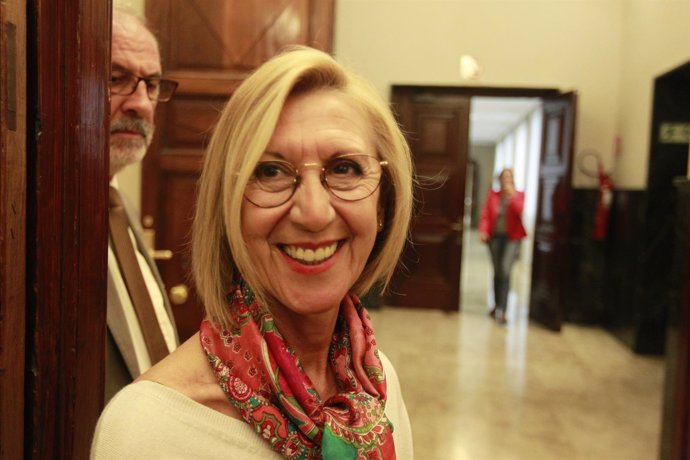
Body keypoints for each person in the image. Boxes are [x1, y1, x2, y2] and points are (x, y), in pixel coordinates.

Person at [91, 46, 415, 459]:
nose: (313, 214)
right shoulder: (149, 428)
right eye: (271, 171)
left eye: (344, 168)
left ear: (382, 205)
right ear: (230, 208)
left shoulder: (378, 387)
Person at [105, 9, 180, 403]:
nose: (141, 105)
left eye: (151, 84)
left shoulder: (121, 207)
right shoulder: (40, 215)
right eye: (117, 78)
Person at [478, 168, 527, 325]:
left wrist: (512, 197)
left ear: (512, 179)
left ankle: (504, 311)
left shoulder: (519, 195)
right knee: (497, 271)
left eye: (509, 177)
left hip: (512, 238)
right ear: (499, 180)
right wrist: (483, 231)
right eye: (503, 177)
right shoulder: (493, 195)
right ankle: (496, 305)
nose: (506, 180)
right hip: (495, 238)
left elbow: (519, 211)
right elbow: (486, 214)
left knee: (505, 270)